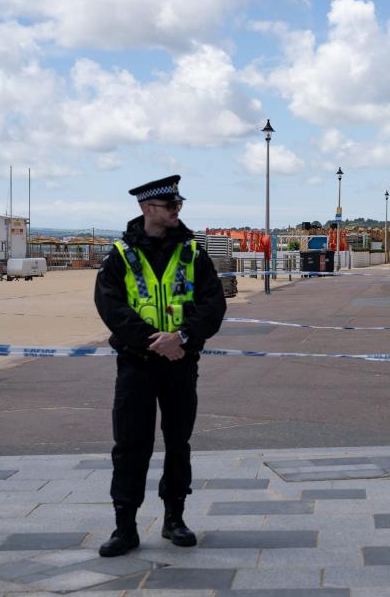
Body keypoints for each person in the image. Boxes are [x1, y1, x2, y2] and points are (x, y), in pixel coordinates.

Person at [94, 175, 226, 557]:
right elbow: (110, 306)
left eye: (178, 205)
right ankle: (125, 527)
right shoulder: (120, 254)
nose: (177, 210)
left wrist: (180, 338)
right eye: (171, 206)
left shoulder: (192, 252)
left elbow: (213, 304)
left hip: (180, 363)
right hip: (136, 364)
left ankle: (174, 519)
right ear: (148, 208)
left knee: (178, 443)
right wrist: (154, 340)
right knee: (130, 445)